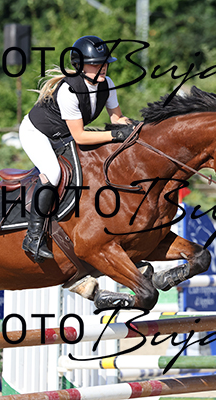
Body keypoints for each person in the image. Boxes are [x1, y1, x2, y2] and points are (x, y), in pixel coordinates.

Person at [19, 35, 136, 262]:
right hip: (37, 133)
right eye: (96, 64)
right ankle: (33, 237)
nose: (103, 67)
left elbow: (117, 118)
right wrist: (114, 135)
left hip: (63, 135)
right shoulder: (69, 90)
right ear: (80, 66)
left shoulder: (108, 84)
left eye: (105, 63)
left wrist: (137, 127)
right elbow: (81, 136)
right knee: (53, 173)